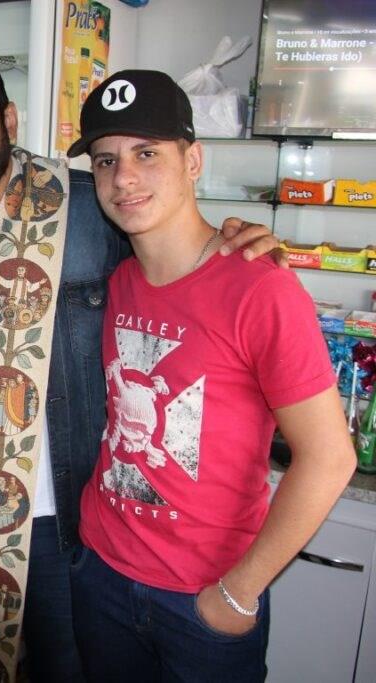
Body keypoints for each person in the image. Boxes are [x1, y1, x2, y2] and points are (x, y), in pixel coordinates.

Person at [0, 52, 283, 681]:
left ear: (8, 119)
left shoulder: (86, 205)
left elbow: (176, 250)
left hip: (67, 526)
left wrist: (237, 240)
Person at [65, 69, 355, 682]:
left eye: (148, 153)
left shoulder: (261, 288)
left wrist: (237, 595)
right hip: (103, 578)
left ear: (193, 159)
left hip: (204, 599)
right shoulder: (116, 280)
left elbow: (330, 457)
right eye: (106, 159)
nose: (125, 178)